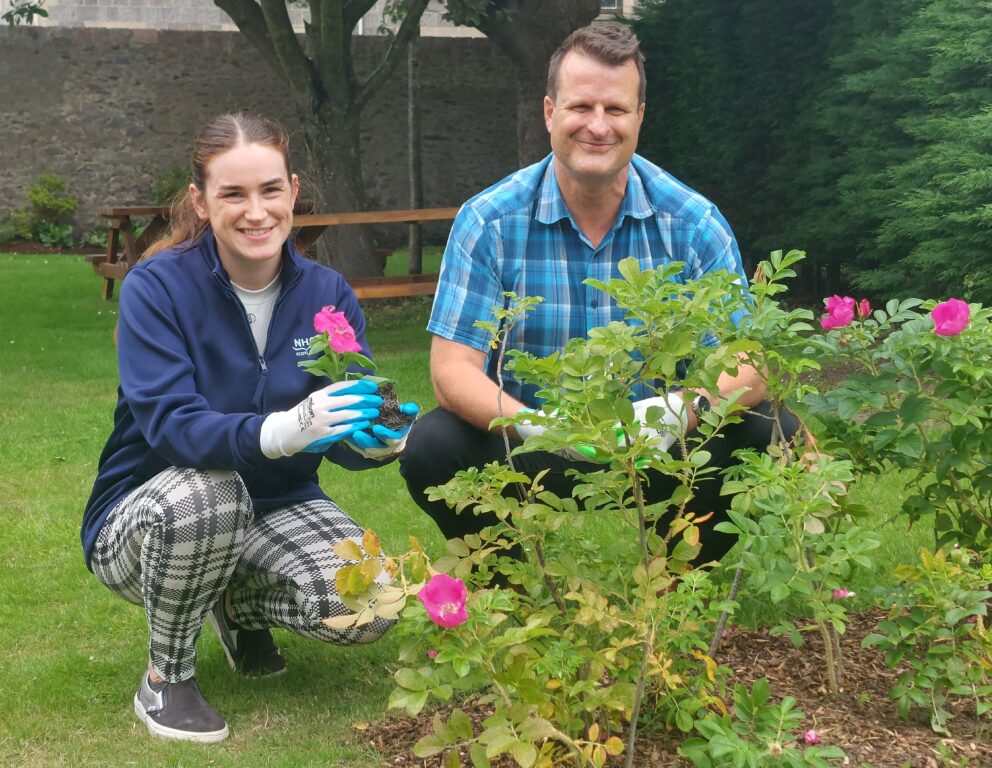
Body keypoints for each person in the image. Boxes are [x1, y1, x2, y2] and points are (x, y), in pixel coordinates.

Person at [399, 24, 800, 565]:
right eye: (580, 106)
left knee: (768, 430)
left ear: (639, 117)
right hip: (530, 446)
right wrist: (536, 425)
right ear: (549, 112)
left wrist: (682, 410)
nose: (597, 126)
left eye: (615, 109)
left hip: (662, 449)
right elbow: (452, 370)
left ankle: (675, 591)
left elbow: (749, 358)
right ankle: (512, 594)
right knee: (432, 445)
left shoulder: (692, 221)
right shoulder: (489, 221)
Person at [81, 112, 416, 744]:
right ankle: (166, 678)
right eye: (232, 194)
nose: (255, 211)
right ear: (200, 203)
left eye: (269, 190)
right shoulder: (157, 287)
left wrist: (376, 438)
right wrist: (280, 430)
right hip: (152, 514)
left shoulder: (328, 292)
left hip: (280, 503)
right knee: (211, 492)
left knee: (373, 598)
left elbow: (336, 421)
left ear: (292, 191)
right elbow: (172, 427)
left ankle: (232, 605)